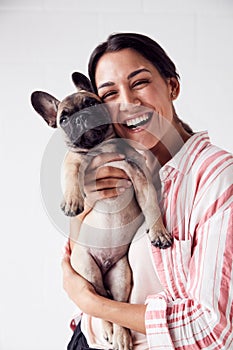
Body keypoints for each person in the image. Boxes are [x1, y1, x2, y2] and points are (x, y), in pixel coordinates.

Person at [62, 32, 233, 349]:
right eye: (110, 94)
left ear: (172, 86)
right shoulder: (110, 167)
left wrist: (91, 303)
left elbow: (212, 328)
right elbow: (78, 260)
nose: (127, 102)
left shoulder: (218, 178)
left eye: (139, 82)